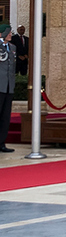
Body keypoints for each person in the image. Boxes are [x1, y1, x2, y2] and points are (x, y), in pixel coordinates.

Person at [0, 24, 16, 152]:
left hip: (9, 87)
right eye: (8, 32)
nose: (10, 34)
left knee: (5, 117)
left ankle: (1, 142)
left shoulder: (12, 47)